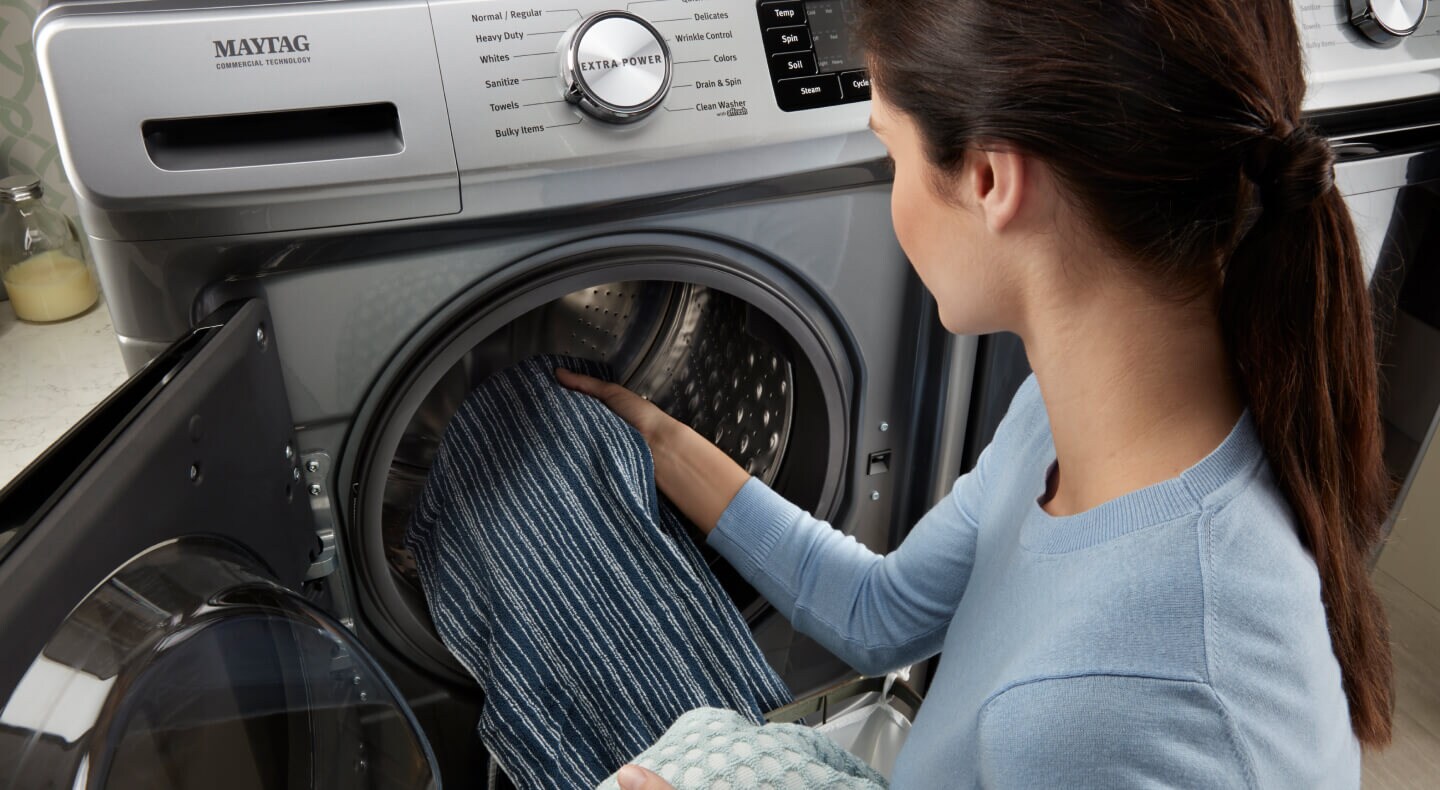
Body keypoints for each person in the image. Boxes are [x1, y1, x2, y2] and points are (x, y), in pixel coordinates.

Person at [558, 0, 1393, 785]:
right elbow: (877, 612)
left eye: (892, 151)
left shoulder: (1105, 707)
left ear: (992, 180)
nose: (895, 190)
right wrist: (653, 439)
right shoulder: (1088, 425)